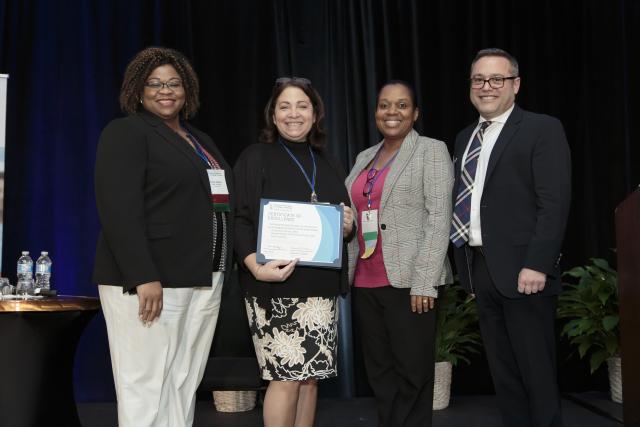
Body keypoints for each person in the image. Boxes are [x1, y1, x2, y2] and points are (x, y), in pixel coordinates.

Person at [93, 47, 234, 427]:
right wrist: (142, 276)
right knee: (144, 381)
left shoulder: (198, 139)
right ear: (138, 91)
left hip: (201, 275)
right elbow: (118, 211)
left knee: (183, 379)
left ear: (187, 89)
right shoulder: (125, 132)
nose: (165, 90)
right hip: (151, 279)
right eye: (154, 83)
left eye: (173, 83)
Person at [450, 48, 571, 426]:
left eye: (496, 79)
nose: (486, 87)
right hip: (482, 270)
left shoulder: (542, 128)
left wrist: (537, 263)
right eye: (478, 80)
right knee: (505, 378)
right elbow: (466, 202)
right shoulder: (464, 137)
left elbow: (554, 203)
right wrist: (468, 276)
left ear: (515, 85)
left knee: (536, 376)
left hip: (525, 272)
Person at [234, 77, 353, 427]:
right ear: (272, 115)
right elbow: (240, 220)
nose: (293, 114)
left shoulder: (328, 161)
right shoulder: (255, 157)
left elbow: (341, 222)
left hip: (320, 291)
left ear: (315, 113)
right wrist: (255, 267)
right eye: (284, 106)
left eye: (302, 106)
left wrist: (347, 227)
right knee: (284, 378)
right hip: (274, 286)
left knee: (310, 379)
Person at [345, 80, 454, 427]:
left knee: (413, 372)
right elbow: (356, 213)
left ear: (415, 112)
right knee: (379, 373)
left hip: (410, 282)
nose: (392, 112)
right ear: (376, 111)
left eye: (402, 105)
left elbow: (439, 218)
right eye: (384, 105)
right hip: (365, 280)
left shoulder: (431, 151)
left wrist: (425, 282)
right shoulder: (365, 156)